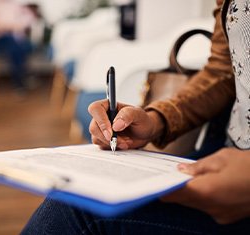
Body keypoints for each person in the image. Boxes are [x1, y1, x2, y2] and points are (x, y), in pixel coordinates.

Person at [21, 0, 250, 234]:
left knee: (75, 212)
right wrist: (157, 119)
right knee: (80, 196)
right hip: (224, 151)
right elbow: (223, 71)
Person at [0, 0, 38, 91]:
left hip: (17, 39)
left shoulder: (17, 5)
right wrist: (8, 26)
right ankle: (22, 78)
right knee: (15, 45)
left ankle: (19, 82)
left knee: (15, 47)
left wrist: (16, 25)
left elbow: (30, 18)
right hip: (0, 39)